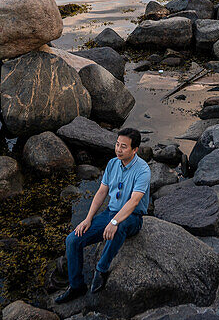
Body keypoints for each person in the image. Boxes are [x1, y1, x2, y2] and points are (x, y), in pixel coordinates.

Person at [55, 128, 150, 302]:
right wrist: (88, 218)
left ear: (135, 149)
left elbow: (134, 201)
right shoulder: (113, 164)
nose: (118, 149)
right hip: (110, 213)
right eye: (117, 145)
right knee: (73, 239)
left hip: (132, 218)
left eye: (124, 147)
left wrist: (114, 221)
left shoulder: (143, 170)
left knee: (119, 227)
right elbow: (101, 193)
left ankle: (102, 269)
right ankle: (77, 286)